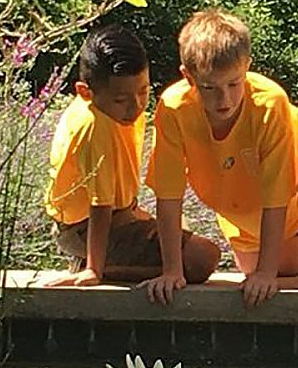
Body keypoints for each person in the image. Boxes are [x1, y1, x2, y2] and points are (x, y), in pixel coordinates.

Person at [144, 9, 298, 307]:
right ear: (188, 76)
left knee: (286, 276)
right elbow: (168, 195)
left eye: (234, 84)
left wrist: (268, 272)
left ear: (247, 66)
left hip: (292, 210)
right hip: (237, 214)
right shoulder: (173, 107)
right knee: (250, 282)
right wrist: (172, 271)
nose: (225, 100)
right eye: (209, 88)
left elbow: (278, 196)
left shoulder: (270, 104)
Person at [45, 24, 214, 288]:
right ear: (85, 92)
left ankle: (106, 264)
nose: (135, 106)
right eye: (121, 99)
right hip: (84, 229)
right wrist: (94, 270)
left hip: (121, 216)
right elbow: (99, 206)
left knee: (183, 235)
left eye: (143, 91)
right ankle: (97, 266)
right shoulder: (93, 126)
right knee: (203, 258)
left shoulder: (114, 110)